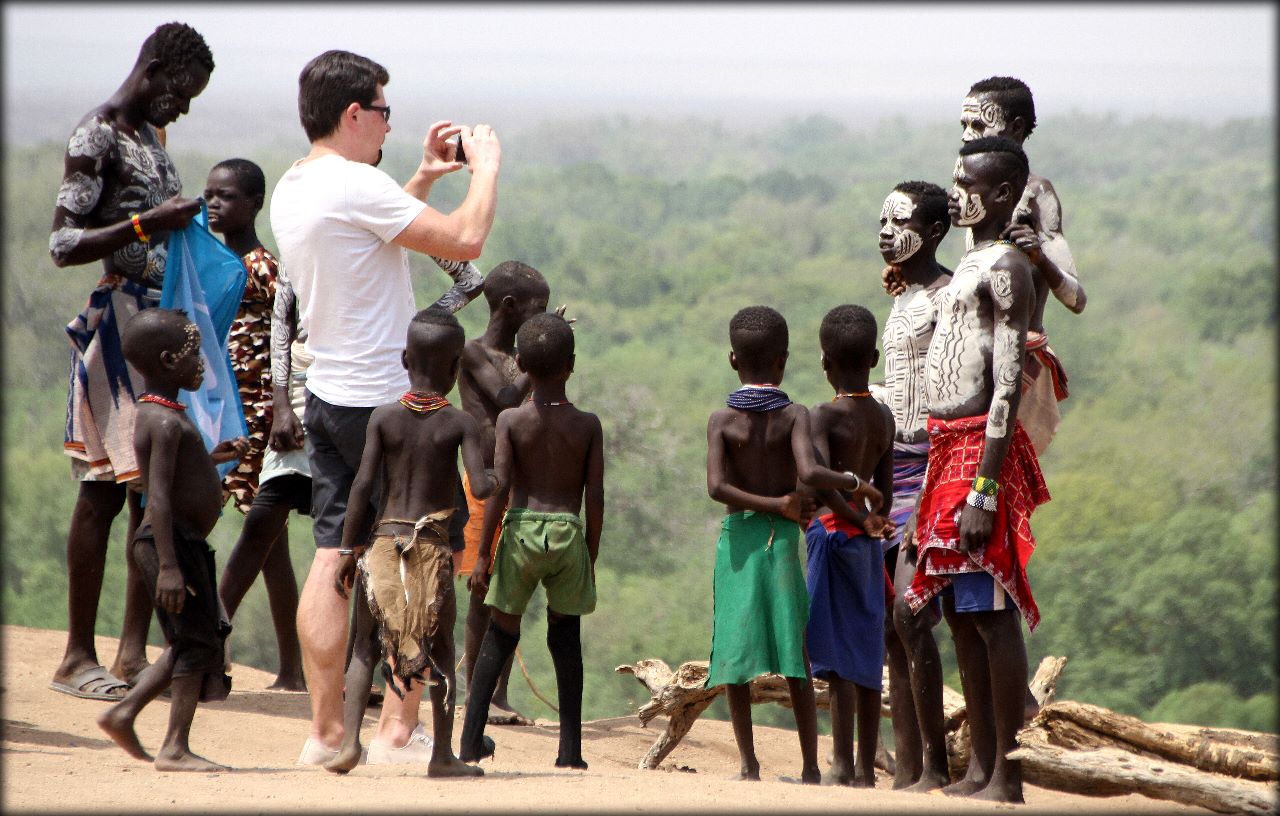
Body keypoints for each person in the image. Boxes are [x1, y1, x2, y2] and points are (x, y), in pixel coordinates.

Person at [268, 48, 501, 765]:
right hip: (388, 406)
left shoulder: (298, 184)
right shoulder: (350, 186)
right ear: (353, 114)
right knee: (416, 558)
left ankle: (326, 732)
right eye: (383, 111)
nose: (388, 124)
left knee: (333, 554)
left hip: (331, 398)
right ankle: (398, 731)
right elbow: (465, 239)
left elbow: (368, 230)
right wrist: (485, 167)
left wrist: (427, 175)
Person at [51, 22, 215, 701]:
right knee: (102, 490)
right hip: (119, 334)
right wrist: (151, 225)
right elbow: (64, 242)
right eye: (180, 92)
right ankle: (75, 655)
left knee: (154, 491)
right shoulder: (99, 134)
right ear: (151, 68)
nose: (182, 107)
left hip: (156, 333)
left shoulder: (151, 138)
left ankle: (129, 653)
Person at [901, 136, 1051, 804]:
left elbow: (1008, 383)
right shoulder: (970, 262)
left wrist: (986, 485)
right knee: (960, 616)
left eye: (967, 182)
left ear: (999, 195)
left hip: (977, 455)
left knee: (992, 614)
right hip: (945, 450)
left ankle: (1008, 775)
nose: (956, 189)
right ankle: (980, 767)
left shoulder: (1008, 268)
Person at [702, 305, 881, 784]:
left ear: (732, 359)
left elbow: (717, 488)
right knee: (794, 651)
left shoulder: (723, 420)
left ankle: (749, 764)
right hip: (780, 542)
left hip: (738, 539)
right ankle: (808, 768)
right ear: (783, 362)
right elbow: (808, 474)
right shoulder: (795, 414)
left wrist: (769, 504)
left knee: (735, 653)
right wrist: (852, 483)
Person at [324, 308, 496, 777]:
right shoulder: (459, 423)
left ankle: (350, 745)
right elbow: (479, 489)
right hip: (432, 551)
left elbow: (361, 488)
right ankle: (442, 756)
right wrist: (503, 475)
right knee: (440, 651)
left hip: (382, 544)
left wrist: (346, 550)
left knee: (364, 648)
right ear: (457, 367)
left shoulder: (382, 418)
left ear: (404, 358)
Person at [96, 308, 246, 771]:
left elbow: (180, 479)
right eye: (192, 353)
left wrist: (215, 457)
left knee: (192, 640)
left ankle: (124, 713)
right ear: (166, 361)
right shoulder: (161, 421)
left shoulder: (167, 416)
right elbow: (157, 497)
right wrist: (168, 565)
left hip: (181, 543)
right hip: (171, 545)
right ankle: (174, 747)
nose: (202, 361)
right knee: (195, 644)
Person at [459, 313, 603, 770]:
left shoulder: (511, 421)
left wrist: (483, 555)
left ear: (519, 362)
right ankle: (570, 751)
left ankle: (469, 743)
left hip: (520, 530)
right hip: (567, 531)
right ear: (572, 365)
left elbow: (500, 492)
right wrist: (589, 555)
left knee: (500, 634)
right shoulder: (587, 425)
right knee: (566, 639)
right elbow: (594, 498)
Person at [203, 157, 305, 691]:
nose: (215, 203)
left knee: (263, 537)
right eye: (210, 194)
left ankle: (232, 656)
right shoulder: (209, 261)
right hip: (214, 410)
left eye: (228, 196)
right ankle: (286, 669)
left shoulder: (264, 268)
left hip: (257, 412)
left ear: (254, 204)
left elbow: (287, 335)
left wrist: (283, 409)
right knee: (265, 543)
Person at [872, 181, 954, 791]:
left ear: (932, 231)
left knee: (911, 611)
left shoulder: (950, 297)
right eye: (880, 219)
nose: (882, 231)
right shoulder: (903, 297)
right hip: (890, 465)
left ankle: (938, 764)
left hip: (933, 466)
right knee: (887, 629)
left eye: (895, 221)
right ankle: (908, 769)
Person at [455, 260, 552, 728]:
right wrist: (538, 359)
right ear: (510, 306)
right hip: (485, 487)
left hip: (520, 491)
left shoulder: (519, 358)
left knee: (509, 593)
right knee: (481, 589)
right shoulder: (474, 353)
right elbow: (508, 400)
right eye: (538, 310)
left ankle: (499, 692)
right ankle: (479, 692)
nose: (543, 318)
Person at [803, 304, 896, 787]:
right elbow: (888, 490)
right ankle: (864, 769)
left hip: (832, 538)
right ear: (875, 357)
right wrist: (872, 522)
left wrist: (854, 515)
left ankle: (840, 762)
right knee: (864, 653)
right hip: (867, 548)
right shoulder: (883, 418)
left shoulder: (822, 416)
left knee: (836, 659)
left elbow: (823, 487)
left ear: (824, 362)